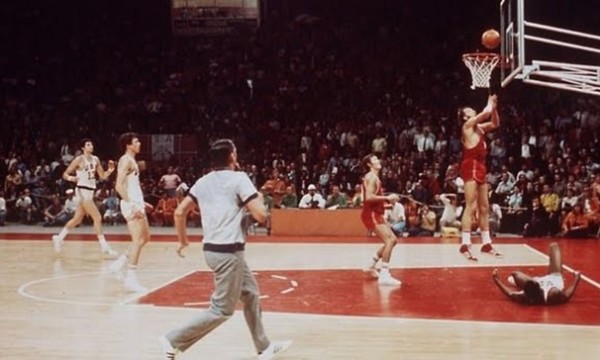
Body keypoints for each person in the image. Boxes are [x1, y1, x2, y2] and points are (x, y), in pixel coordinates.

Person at [160, 139, 291, 360]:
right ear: (232, 156)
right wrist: (259, 200)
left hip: (212, 250)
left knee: (250, 294)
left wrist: (182, 241)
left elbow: (179, 212)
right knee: (221, 310)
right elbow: (260, 215)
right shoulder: (240, 179)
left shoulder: (202, 182)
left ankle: (264, 347)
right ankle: (173, 339)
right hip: (229, 253)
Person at [52, 138, 117, 258]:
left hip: (90, 192)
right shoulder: (79, 159)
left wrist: (110, 170)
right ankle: (105, 248)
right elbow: (65, 174)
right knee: (97, 217)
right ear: (83, 147)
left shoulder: (96, 159)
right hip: (82, 191)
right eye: (88, 144)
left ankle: (59, 237)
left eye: (91, 144)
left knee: (77, 220)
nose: (91, 146)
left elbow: (102, 176)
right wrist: (71, 178)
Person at [458, 95, 503, 261]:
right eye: (469, 111)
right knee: (471, 205)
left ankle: (486, 243)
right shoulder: (467, 126)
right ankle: (465, 244)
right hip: (470, 165)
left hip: (482, 166)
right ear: (465, 116)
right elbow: (485, 113)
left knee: (485, 206)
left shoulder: (480, 128)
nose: (472, 110)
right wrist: (490, 104)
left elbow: (495, 123)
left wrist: (495, 109)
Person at [108, 133, 151, 293]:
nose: (139, 143)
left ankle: (119, 263)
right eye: (136, 141)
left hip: (136, 202)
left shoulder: (132, 161)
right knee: (138, 240)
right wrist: (132, 204)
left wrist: (141, 201)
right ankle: (130, 279)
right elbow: (119, 186)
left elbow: (132, 185)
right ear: (128, 145)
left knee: (145, 238)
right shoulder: (125, 160)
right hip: (130, 204)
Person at [492, 242, 582, 305]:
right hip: (553, 280)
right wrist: (576, 278)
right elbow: (566, 295)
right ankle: (523, 281)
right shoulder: (553, 294)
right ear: (539, 287)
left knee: (515, 274)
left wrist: (496, 280)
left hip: (535, 284)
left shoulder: (524, 297)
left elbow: (509, 293)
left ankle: (519, 281)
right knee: (554, 246)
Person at [361, 154, 402, 286]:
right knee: (389, 240)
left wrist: (388, 203)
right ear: (369, 164)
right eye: (374, 160)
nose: (378, 161)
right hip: (371, 214)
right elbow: (368, 198)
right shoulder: (372, 177)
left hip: (375, 213)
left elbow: (373, 200)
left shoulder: (374, 178)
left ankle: (371, 265)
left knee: (393, 240)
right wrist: (387, 198)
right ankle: (384, 274)